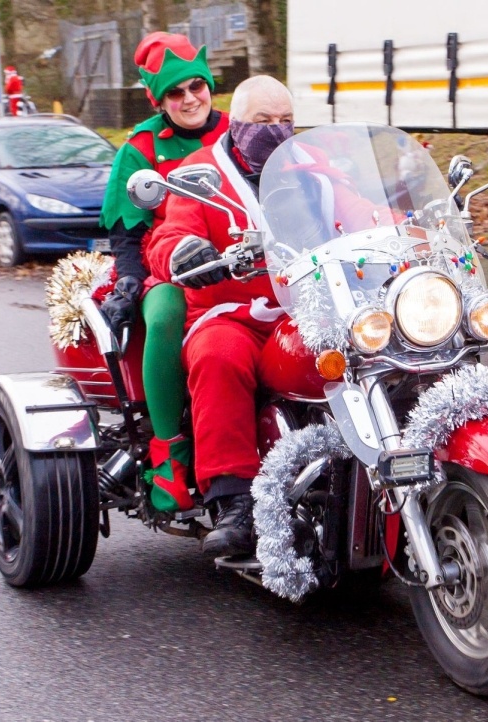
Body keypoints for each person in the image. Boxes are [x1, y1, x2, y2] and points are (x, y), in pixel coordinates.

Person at [146, 75, 295, 557]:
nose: (276, 130)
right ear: (237, 122)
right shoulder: (200, 170)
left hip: (310, 304)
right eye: (263, 121)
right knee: (217, 357)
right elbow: (170, 233)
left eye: (286, 120)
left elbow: (358, 210)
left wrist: (410, 230)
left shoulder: (312, 165)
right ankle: (234, 501)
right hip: (229, 311)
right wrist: (186, 251)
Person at [98, 32, 229, 517]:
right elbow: (128, 234)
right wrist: (129, 282)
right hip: (169, 263)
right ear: (160, 99)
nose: (189, 98)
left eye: (196, 86)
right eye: (176, 93)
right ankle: (169, 453)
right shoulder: (141, 147)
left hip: (247, 258)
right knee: (168, 312)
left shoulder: (241, 132)